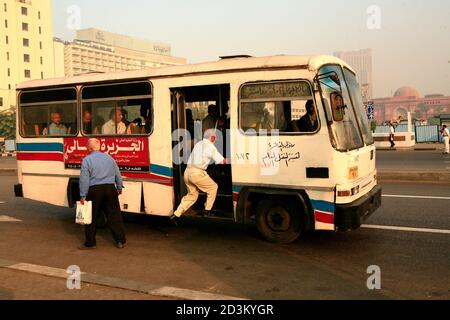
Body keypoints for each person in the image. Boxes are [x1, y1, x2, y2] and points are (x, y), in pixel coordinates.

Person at [170, 129, 228, 224]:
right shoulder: (210, 147)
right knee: (213, 187)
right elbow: (222, 161)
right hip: (196, 173)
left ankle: (176, 215)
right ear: (212, 137)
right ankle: (207, 210)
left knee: (192, 195)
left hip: (187, 172)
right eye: (215, 136)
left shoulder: (198, 144)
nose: (216, 138)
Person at [79, 138, 127, 249]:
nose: (86, 149)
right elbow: (117, 174)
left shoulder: (87, 160)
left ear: (90, 148)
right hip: (110, 189)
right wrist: (119, 187)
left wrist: (83, 195)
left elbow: (84, 179)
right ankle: (120, 241)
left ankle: (90, 243)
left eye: (87, 147)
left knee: (91, 217)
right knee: (114, 216)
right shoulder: (109, 157)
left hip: (95, 190)